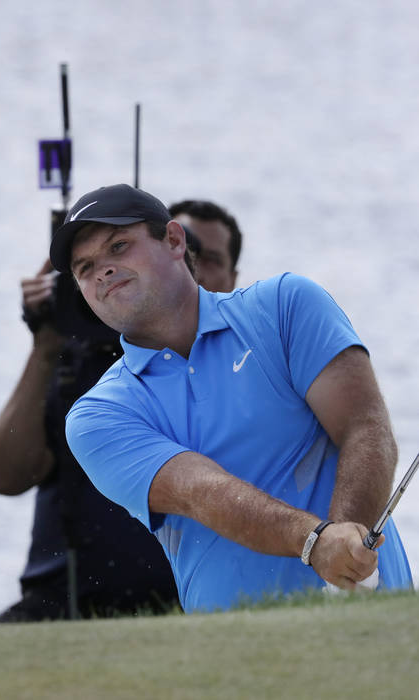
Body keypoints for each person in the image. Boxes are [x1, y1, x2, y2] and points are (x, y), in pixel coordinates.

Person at [50, 183, 412, 612]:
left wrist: (347, 543)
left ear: (174, 240)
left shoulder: (284, 305)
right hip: (237, 653)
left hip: (375, 619)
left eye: (119, 246)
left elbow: (364, 428)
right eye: (85, 267)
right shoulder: (98, 415)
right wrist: (317, 542)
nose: (102, 271)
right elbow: (199, 490)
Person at [0, 199, 241, 622]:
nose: (197, 266)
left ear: (233, 278)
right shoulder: (80, 362)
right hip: (65, 599)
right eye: (87, 267)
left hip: (182, 598)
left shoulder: (240, 361)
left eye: (209, 258)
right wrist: (47, 344)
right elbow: (5, 476)